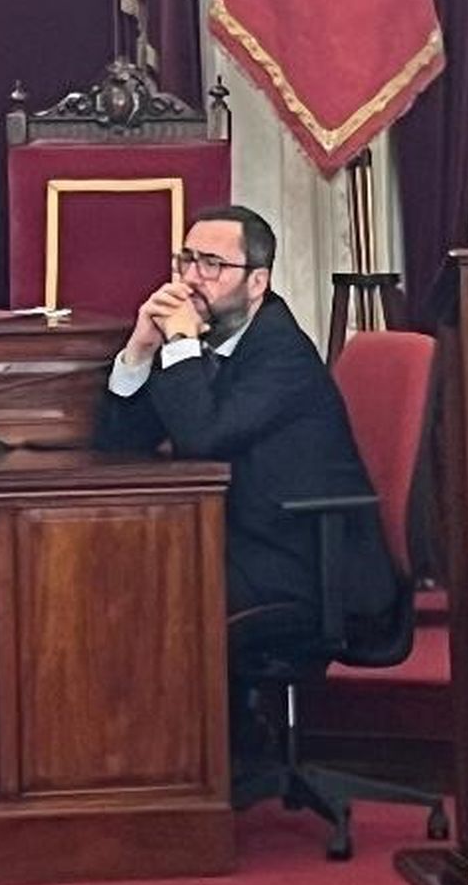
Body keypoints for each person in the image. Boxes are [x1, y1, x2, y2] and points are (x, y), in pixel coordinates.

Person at [95, 204, 397, 647]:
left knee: (139, 599)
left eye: (212, 265)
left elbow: (202, 438)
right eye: (187, 260)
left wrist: (179, 341)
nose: (192, 278)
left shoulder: (282, 352)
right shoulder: (205, 340)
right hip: (234, 540)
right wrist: (139, 351)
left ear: (257, 282)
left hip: (298, 561)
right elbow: (119, 443)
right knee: (107, 573)